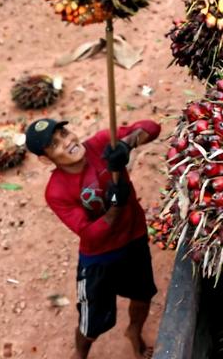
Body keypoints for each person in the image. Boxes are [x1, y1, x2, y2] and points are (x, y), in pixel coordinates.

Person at [25, 118, 161, 359]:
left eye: (64, 133)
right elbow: (90, 234)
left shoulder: (101, 143)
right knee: (91, 324)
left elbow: (152, 127)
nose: (67, 142)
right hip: (100, 258)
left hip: (134, 239)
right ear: (46, 160)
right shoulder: (55, 192)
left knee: (142, 297)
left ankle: (134, 331)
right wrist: (116, 206)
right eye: (55, 144)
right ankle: (80, 354)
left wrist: (126, 145)